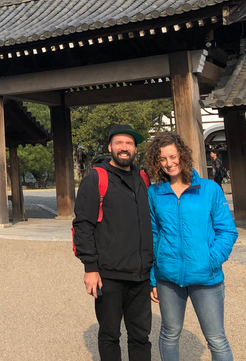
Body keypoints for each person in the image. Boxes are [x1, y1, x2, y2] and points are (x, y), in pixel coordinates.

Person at [145, 132, 238, 361]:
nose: (169, 163)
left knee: (216, 339)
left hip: (206, 276)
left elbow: (227, 231)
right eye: (162, 159)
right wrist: (153, 277)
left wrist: (211, 259)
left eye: (173, 156)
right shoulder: (155, 193)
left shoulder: (209, 189)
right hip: (168, 276)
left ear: (183, 156)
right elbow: (153, 235)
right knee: (169, 333)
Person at [73, 124, 153, 361]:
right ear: (110, 147)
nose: (124, 148)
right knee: (110, 334)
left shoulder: (143, 178)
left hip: (140, 273)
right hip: (109, 273)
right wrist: (90, 268)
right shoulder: (97, 178)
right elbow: (83, 225)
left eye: (129, 144)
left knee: (140, 336)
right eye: (119, 143)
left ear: (135, 149)